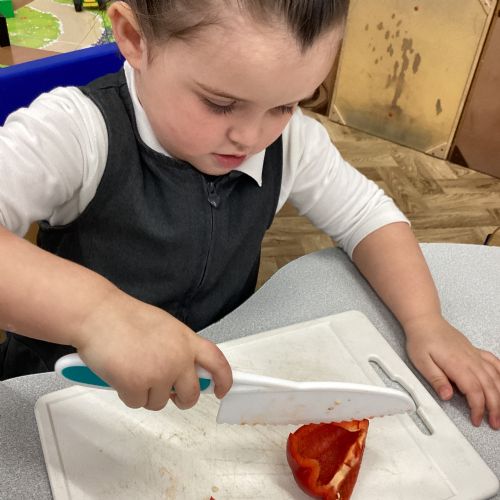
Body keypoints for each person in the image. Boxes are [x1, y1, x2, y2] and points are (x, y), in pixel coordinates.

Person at [0, 0, 499, 430]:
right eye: (220, 104)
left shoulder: (292, 142)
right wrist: (98, 315)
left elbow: (367, 216)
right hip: (56, 393)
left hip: (207, 388)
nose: (252, 137)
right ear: (134, 38)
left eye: (286, 105)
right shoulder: (77, 131)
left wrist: (425, 320)